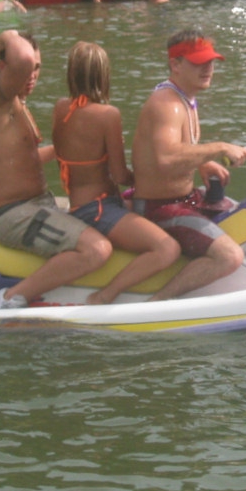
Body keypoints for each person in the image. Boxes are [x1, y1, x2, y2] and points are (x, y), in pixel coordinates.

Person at [0, 30, 112, 309]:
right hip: (12, 214)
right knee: (97, 249)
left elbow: (27, 158)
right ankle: (7, 300)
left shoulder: (18, 106)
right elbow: (22, 58)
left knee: (104, 209)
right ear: (4, 67)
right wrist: (8, 35)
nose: (32, 74)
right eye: (28, 69)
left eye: (37, 68)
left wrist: (83, 150)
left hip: (38, 204)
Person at [130, 29, 246, 300]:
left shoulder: (185, 98)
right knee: (230, 256)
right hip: (159, 208)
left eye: (210, 61)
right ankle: (157, 303)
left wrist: (203, 163)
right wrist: (219, 148)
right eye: (199, 62)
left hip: (183, 199)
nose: (208, 69)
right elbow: (166, 158)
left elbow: (172, 150)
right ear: (175, 65)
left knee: (241, 214)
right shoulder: (166, 104)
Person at [52, 42, 181, 305]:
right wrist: (146, 178)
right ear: (104, 76)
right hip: (98, 209)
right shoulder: (108, 115)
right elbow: (121, 175)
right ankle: (104, 296)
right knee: (167, 248)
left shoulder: (61, 108)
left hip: (80, 203)